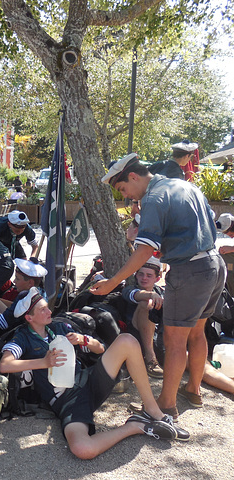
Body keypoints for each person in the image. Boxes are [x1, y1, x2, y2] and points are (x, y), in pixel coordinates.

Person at [91, 153, 226, 422]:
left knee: (174, 340)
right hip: (214, 264)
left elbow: (144, 251)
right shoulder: (186, 185)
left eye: (123, 189)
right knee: (197, 333)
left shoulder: (153, 197)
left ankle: (165, 406)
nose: (127, 196)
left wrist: (112, 282)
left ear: (133, 176)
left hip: (190, 272)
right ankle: (193, 390)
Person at [0, 287, 189, 460]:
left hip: (87, 380)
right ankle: (136, 426)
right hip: (67, 401)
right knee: (83, 449)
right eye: (42, 310)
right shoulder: (22, 337)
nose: (49, 312)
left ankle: (153, 411)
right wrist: (43, 362)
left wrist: (84, 340)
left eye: (47, 307)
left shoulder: (59, 327)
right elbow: (5, 365)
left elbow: (100, 349)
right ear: (29, 317)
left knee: (127, 340)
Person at [121, 257, 165, 378]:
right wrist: (151, 295)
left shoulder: (162, 292)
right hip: (136, 338)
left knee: (199, 363)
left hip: (159, 341)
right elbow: (135, 295)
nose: (144, 278)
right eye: (141, 274)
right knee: (146, 304)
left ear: (157, 278)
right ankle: (150, 359)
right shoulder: (129, 289)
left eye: (149, 275)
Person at [0, 257, 48, 340]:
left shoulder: (25, 296)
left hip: (13, 335)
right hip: (22, 328)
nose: (14, 281)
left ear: (30, 283)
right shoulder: (41, 292)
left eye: (17, 278)